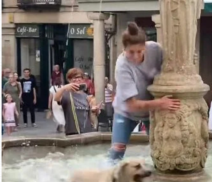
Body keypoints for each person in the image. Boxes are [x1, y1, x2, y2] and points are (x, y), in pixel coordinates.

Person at [109, 22, 180, 163]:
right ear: (124, 49)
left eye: (140, 51)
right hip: (126, 112)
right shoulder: (122, 66)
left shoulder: (155, 49)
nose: (136, 56)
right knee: (116, 152)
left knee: (160, 149)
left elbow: (172, 65)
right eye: (131, 52)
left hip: (151, 111)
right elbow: (131, 105)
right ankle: (107, 179)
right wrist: (160, 103)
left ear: (145, 46)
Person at [54, 68, 100, 136]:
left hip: (88, 131)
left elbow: (92, 115)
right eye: (74, 78)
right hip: (72, 132)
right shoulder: (66, 94)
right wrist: (64, 87)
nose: (77, 80)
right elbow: (56, 98)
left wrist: (95, 111)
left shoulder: (86, 96)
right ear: (69, 80)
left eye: (80, 77)